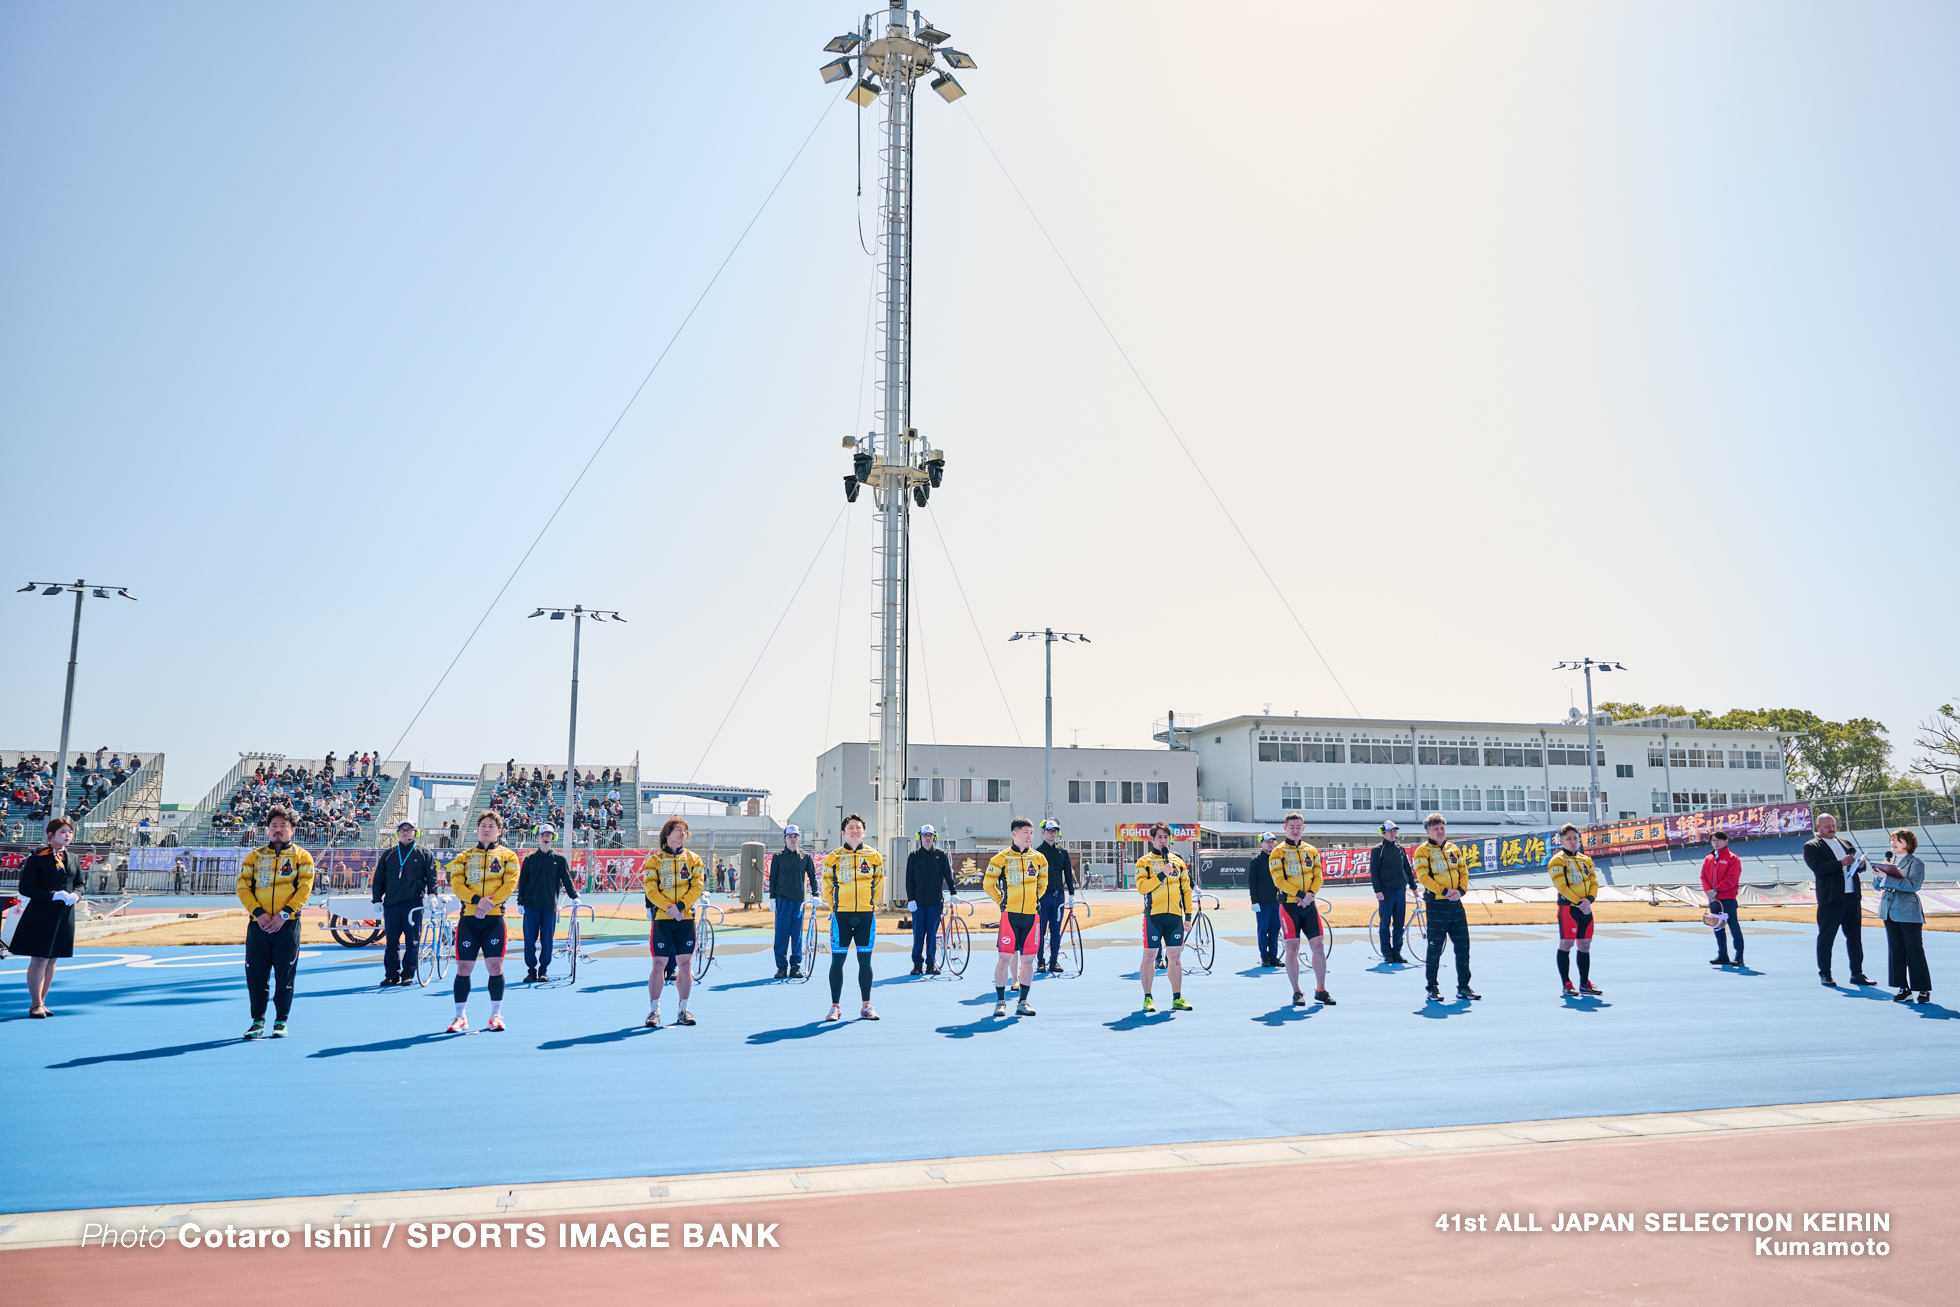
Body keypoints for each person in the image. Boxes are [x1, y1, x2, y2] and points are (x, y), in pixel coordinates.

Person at [237, 807, 315, 1038]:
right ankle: (257, 1021)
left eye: (283, 826)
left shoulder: (302, 857)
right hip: (258, 926)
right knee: (256, 977)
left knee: (285, 976)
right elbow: (243, 888)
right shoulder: (255, 856)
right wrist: (258, 913)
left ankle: (281, 1021)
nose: (278, 830)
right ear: (268, 830)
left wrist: (284, 915)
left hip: (287, 926)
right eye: (273, 826)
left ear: (292, 830)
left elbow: (305, 889)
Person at [446, 811, 520, 1032]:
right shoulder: (464, 857)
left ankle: (495, 1015)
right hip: (469, 919)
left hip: (494, 918)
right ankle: (460, 1017)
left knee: (495, 967)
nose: (487, 829)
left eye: (491, 826)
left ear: (499, 831)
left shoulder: (509, 856)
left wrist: (489, 905)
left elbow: (510, 884)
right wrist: (478, 901)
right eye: (483, 825)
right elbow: (457, 884)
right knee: (463, 967)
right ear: (477, 830)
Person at [13, 817, 85, 1018]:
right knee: (39, 959)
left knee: (52, 960)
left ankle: (43, 1002)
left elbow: (80, 883)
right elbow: (26, 888)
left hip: (64, 914)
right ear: (51, 835)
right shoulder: (37, 858)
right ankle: (35, 1003)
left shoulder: (74, 858)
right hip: (41, 914)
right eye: (63, 832)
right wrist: (52, 895)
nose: (68, 835)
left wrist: (76, 895)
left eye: (70, 832)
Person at [821, 814, 884, 1022]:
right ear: (843, 833)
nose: (854, 831)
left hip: (866, 916)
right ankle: (835, 1007)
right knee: (837, 961)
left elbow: (879, 882)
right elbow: (827, 886)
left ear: (864, 832)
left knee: (865, 962)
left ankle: (866, 1006)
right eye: (850, 828)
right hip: (841, 917)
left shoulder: (874, 855)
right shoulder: (834, 857)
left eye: (858, 827)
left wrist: (871, 905)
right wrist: (835, 907)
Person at [643, 816, 705, 1027]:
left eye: (685, 830)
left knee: (685, 965)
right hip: (663, 918)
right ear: (667, 834)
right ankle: (654, 1011)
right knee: (658, 964)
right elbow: (651, 889)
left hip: (685, 918)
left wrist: (681, 907)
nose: (682, 833)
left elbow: (697, 887)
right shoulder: (654, 860)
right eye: (678, 830)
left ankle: (684, 1009)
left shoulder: (694, 859)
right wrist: (669, 908)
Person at [984, 818, 1049, 1017]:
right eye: (1025, 832)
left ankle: (1023, 1001)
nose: (1029, 836)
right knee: (1004, 959)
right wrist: (1001, 901)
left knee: (1028, 961)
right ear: (1014, 834)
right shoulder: (1001, 858)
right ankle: (1000, 1002)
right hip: (1009, 916)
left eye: (1031, 832)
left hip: (1031, 917)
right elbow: (988, 883)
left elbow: (1043, 884)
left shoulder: (1039, 858)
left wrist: (1035, 899)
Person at [1270, 812, 1334, 1008]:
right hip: (1289, 906)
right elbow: (1278, 880)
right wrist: (1300, 895)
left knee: (1319, 948)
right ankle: (1297, 992)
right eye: (1292, 827)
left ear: (1303, 828)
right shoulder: (1278, 852)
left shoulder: (1311, 850)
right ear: (1285, 828)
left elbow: (1318, 876)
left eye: (1299, 826)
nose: (1295, 830)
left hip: (1309, 904)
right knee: (1292, 948)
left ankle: (1321, 990)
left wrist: (1310, 895)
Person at [1413, 812, 1478, 1002]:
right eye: (1436, 829)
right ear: (1428, 831)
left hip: (1456, 905)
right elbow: (1423, 877)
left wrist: (1461, 891)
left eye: (1442, 828)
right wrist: (1443, 891)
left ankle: (1463, 986)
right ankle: (1432, 987)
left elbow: (1463, 871)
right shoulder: (1422, 851)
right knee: (1435, 947)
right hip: (1437, 905)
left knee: (1463, 946)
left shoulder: (1453, 849)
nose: (1440, 831)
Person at [1803, 813, 1873, 987]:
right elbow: (1817, 867)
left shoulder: (1845, 843)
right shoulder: (1812, 845)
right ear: (1818, 827)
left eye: (1833, 825)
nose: (1831, 829)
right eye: (1827, 826)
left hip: (1852, 897)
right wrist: (1839, 863)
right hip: (1831, 899)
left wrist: (1860, 866)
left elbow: (1852, 867)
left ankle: (1857, 973)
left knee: (1855, 938)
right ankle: (1825, 974)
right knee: (1827, 938)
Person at [1134, 822, 1194, 1014]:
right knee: (1150, 956)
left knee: (1175, 958)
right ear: (1152, 840)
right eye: (1159, 837)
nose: (1163, 840)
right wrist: (1162, 874)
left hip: (1175, 917)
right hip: (1153, 916)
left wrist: (1188, 916)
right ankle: (1148, 998)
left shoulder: (1178, 862)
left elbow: (1186, 890)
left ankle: (1177, 998)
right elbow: (1143, 888)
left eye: (1166, 837)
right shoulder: (1144, 861)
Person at [371, 820, 438, 985]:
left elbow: (431, 876)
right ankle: (391, 974)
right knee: (391, 942)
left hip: (413, 903)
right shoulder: (389, 854)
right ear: (397, 834)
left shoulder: (424, 853)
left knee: (412, 941)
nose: (406, 833)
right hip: (391, 903)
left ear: (415, 833)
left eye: (409, 830)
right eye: (402, 830)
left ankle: (408, 973)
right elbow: (379, 879)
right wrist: (377, 899)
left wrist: (432, 894)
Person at [1873, 829, 1930, 1003]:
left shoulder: (1916, 863)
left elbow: (1912, 885)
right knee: (1895, 950)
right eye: (1892, 840)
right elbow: (1877, 886)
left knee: (1914, 950)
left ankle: (1923, 989)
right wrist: (1879, 876)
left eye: (1898, 840)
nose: (1894, 843)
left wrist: (1887, 878)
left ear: (1908, 843)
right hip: (1888, 910)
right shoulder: (1889, 861)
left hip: (1907, 911)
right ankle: (1903, 988)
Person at [518, 824, 578, 983]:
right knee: (529, 940)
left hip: (550, 907)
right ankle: (531, 970)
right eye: (543, 834)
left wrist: (574, 895)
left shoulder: (559, 859)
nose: (545, 837)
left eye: (549, 835)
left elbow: (567, 880)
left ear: (553, 838)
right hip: (530, 906)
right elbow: (522, 883)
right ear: (538, 837)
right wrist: (520, 902)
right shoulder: (529, 859)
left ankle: (543, 970)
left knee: (547, 940)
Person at [1547, 823, 1601, 997]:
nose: (1572, 841)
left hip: (1586, 909)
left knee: (1585, 945)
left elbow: (1594, 882)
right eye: (1568, 838)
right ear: (1561, 840)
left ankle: (1585, 983)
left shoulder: (1586, 859)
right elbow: (1561, 886)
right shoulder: (1557, 860)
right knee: (1566, 944)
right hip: (1568, 909)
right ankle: (1566, 984)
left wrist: (1590, 900)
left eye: (1575, 838)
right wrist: (1581, 903)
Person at [769, 824, 820, 980]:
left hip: (799, 902)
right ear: (785, 838)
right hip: (782, 900)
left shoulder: (805, 857)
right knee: (781, 936)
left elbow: (812, 877)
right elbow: (773, 878)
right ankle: (781, 967)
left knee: (797, 936)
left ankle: (796, 967)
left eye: (795, 836)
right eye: (790, 836)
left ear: (798, 838)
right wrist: (772, 898)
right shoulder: (778, 857)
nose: (793, 839)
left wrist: (816, 894)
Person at [905, 823, 954, 976]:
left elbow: (948, 876)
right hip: (918, 903)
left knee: (932, 935)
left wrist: (954, 892)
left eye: (930, 835)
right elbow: (909, 879)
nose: (928, 838)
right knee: (918, 934)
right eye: (925, 835)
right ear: (920, 836)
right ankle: (917, 964)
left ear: (934, 837)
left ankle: (931, 964)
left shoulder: (941, 855)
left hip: (935, 902)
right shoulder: (914, 856)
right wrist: (910, 898)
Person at [1369, 819, 1416, 964]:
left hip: (1400, 890)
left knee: (1399, 923)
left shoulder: (1400, 849)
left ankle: (1397, 952)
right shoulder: (1378, 850)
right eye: (1390, 831)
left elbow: (1407, 869)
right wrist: (1377, 890)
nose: (1393, 834)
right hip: (1385, 891)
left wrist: (1413, 887)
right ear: (1383, 833)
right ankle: (1387, 953)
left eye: (1395, 831)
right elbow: (1374, 871)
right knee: (1385, 923)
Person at [1033, 819, 1076, 975]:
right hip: (1042, 897)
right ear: (1043, 832)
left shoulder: (1062, 852)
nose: (1053, 834)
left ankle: (1053, 960)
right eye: (1050, 831)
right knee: (1041, 930)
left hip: (1059, 896)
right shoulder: (1036, 852)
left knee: (1056, 931)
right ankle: (1040, 961)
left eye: (1055, 831)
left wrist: (1071, 894)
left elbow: (1068, 875)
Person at [1700, 829, 1744, 967]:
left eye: (1718, 840)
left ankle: (1739, 957)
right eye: (1713, 840)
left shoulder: (1733, 859)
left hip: (1727, 898)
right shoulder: (1708, 859)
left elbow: (1732, 878)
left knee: (1733, 927)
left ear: (1726, 841)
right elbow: (1703, 877)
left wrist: (1716, 890)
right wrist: (1709, 892)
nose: (1715, 843)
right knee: (1717, 927)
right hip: (1713, 899)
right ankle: (1723, 955)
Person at [1247, 831, 1280, 968]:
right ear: (1262, 843)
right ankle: (1264, 956)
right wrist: (1254, 901)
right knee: (1263, 930)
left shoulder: (1279, 860)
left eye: (1272, 842)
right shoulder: (1255, 861)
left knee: (1275, 929)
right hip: (1262, 902)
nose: (1270, 844)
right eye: (1267, 841)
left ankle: (1273, 956)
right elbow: (1252, 883)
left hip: (1277, 901)